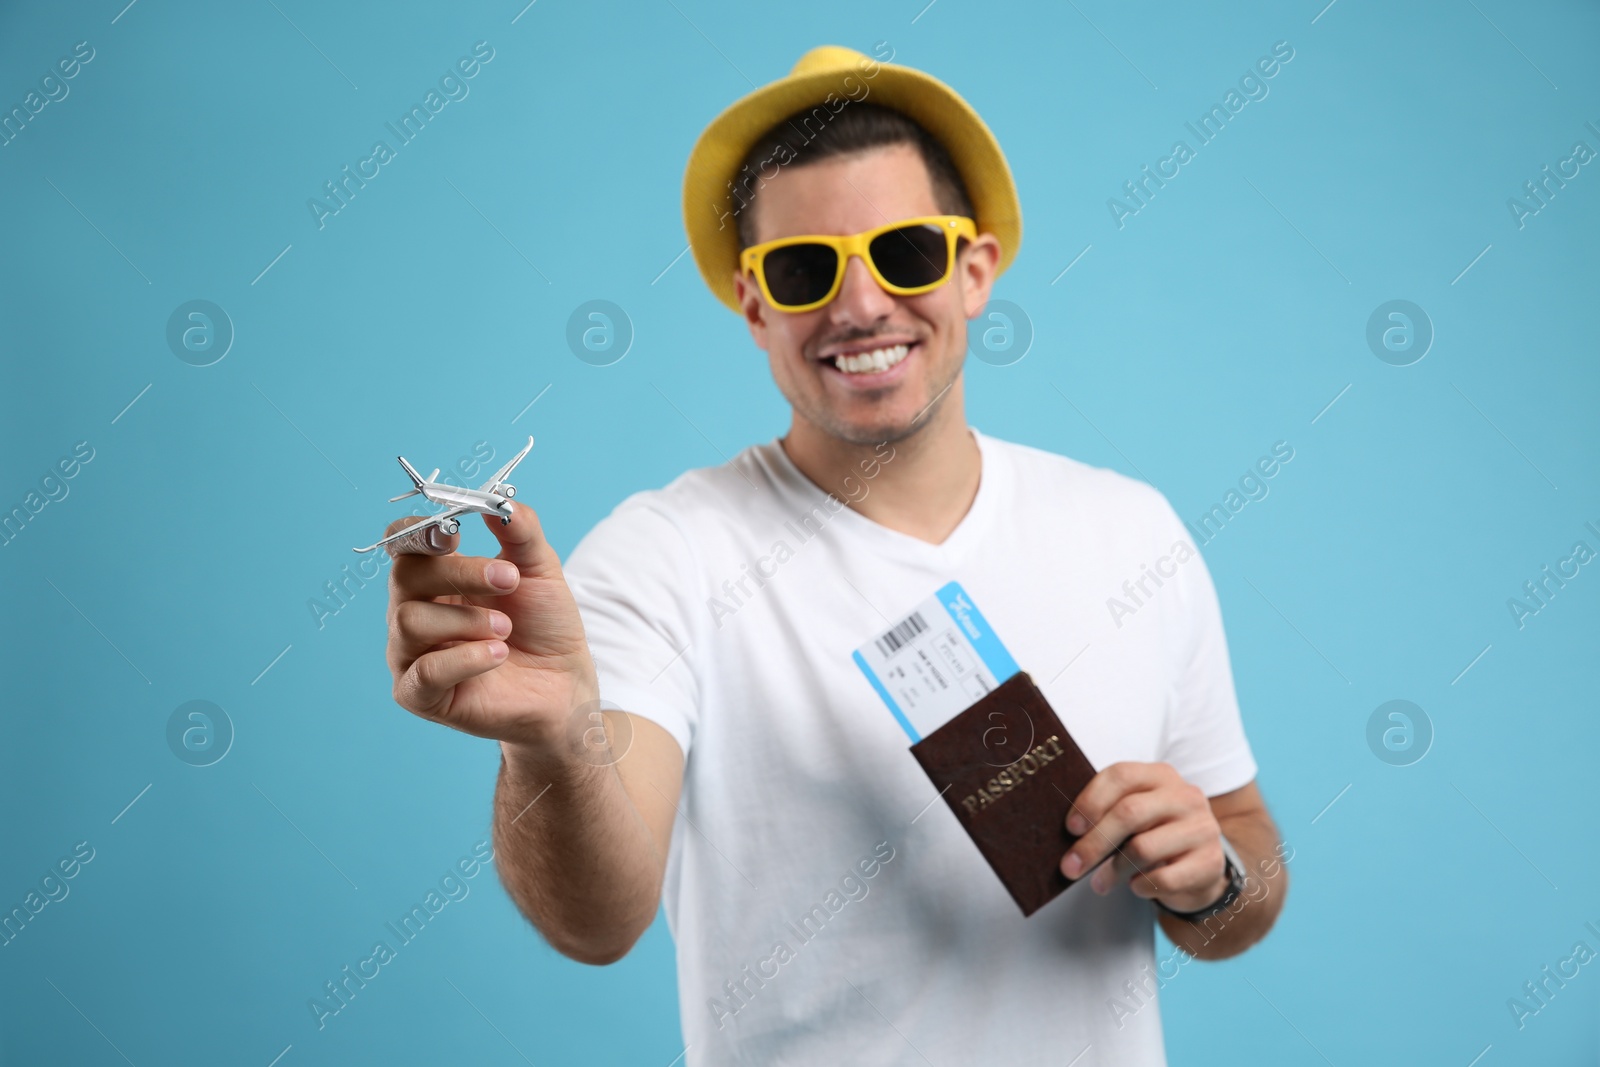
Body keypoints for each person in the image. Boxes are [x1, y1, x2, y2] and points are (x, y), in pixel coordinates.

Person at [378, 45, 1288, 1066]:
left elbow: (1242, 870)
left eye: (906, 251)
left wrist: (1215, 877)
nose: (860, 306)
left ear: (975, 269)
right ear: (755, 303)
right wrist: (548, 741)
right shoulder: (661, 556)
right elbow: (594, 923)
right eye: (806, 268)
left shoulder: (1132, 531)